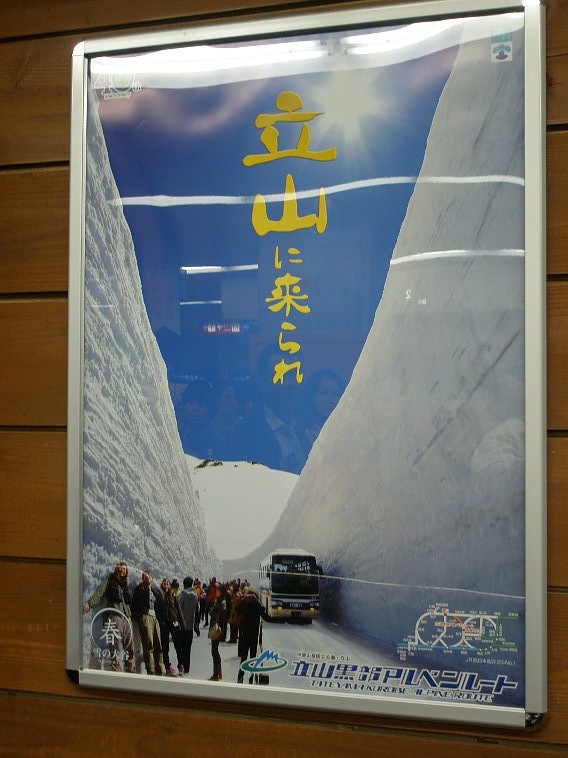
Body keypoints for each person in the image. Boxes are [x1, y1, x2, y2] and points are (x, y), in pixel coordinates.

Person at [82, 561, 135, 673]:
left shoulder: (125, 584)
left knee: (130, 645)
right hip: (115, 614)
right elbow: (100, 592)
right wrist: (89, 604)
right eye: (121, 568)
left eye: (125, 569)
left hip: (127, 616)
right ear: (117, 569)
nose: (123, 570)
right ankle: (116, 668)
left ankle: (130, 669)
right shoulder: (110, 580)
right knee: (115, 643)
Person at [297, 368, 344, 456]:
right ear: (312, 397)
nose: (330, 399)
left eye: (336, 394)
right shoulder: (300, 432)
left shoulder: (348, 431)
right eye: (324, 393)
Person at [130, 570, 165, 676]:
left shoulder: (154, 590)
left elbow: (161, 603)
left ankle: (159, 668)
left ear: (152, 579)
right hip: (145, 617)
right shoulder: (140, 589)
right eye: (145, 576)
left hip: (155, 618)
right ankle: (151, 669)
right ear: (142, 578)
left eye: (149, 576)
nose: (147, 578)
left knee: (158, 645)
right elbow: (136, 602)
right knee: (148, 645)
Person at [236, 587, 268, 684]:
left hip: (245, 634)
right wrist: (254, 600)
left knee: (244, 659)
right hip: (253, 635)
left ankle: (241, 678)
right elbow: (263, 611)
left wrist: (245, 599)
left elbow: (237, 609)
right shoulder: (255, 604)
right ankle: (250, 679)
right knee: (252, 658)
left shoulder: (245, 603)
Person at [158, 578, 186, 676]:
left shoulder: (173, 596)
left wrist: (182, 624)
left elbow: (179, 610)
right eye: (164, 582)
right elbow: (156, 609)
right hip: (164, 624)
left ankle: (181, 665)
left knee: (178, 646)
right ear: (162, 584)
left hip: (174, 623)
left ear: (170, 585)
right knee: (165, 647)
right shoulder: (158, 596)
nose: (166, 583)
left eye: (167, 583)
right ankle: (167, 667)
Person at [177, 576, 199, 675]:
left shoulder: (183, 595)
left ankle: (181, 666)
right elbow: (197, 610)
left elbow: (179, 608)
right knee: (188, 648)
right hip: (190, 625)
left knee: (181, 648)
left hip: (182, 625)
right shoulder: (195, 595)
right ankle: (187, 668)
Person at [208, 583, 226, 681]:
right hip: (217, 628)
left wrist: (212, 611)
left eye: (218, 590)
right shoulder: (219, 601)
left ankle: (216, 674)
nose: (216, 591)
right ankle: (218, 673)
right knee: (215, 651)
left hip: (216, 629)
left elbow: (218, 615)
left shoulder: (221, 603)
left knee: (214, 651)